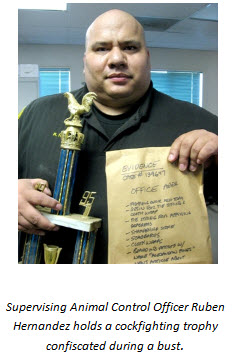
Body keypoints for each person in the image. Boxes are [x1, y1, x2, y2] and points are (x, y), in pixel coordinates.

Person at [18, 9, 218, 264]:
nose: (116, 59)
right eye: (101, 48)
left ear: (147, 57)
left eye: (130, 47)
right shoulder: (35, 113)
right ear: (85, 59)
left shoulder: (200, 124)